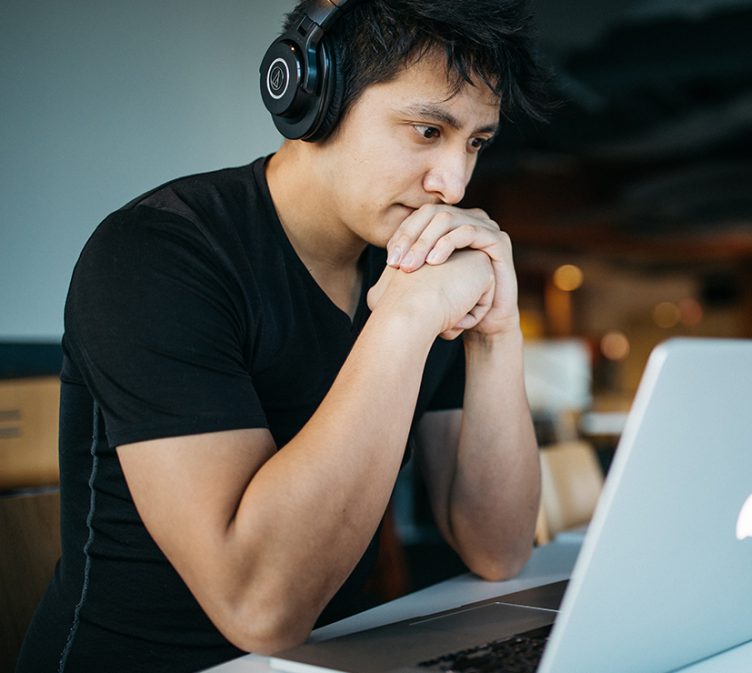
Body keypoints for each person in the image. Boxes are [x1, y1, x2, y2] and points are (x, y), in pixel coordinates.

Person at [17, 1, 551, 671]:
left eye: (475, 142)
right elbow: (259, 609)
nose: (453, 182)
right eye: (425, 130)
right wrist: (405, 319)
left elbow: (497, 548)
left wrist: (496, 332)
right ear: (313, 95)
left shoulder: (416, 262)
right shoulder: (157, 255)